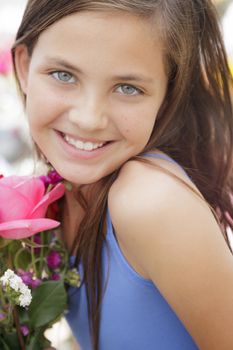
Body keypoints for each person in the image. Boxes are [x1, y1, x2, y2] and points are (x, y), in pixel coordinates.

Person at [11, 0, 233, 349]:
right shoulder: (65, 192)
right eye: (64, 75)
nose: (89, 118)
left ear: (168, 94)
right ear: (24, 67)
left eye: (128, 88)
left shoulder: (149, 200)